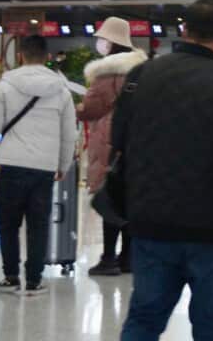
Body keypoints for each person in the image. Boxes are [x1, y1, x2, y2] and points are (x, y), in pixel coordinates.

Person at [113, 0, 213, 341]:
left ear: (184, 30)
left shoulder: (142, 76)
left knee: (143, 320)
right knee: (212, 327)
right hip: (211, 230)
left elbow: (118, 138)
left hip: (150, 221)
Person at [0, 34, 78, 295]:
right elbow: (69, 134)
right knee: (38, 225)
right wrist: (63, 164)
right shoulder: (62, 91)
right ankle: (33, 280)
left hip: (11, 163)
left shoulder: (5, 86)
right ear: (47, 57)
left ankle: (11, 277)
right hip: (44, 167)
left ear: (20, 56)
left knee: (8, 224)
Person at [76, 17, 147, 276]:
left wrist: (77, 108)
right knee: (129, 200)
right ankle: (127, 257)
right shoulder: (142, 69)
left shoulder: (105, 73)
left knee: (109, 200)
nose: (99, 43)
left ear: (111, 42)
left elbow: (92, 108)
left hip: (109, 141)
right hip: (137, 141)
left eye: (102, 39)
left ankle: (108, 258)